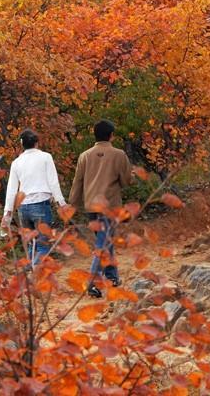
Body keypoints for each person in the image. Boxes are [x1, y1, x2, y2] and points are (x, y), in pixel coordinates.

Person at [69, 120, 132, 298]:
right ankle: (91, 283)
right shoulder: (118, 155)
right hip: (109, 206)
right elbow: (127, 181)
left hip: (91, 207)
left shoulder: (85, 156)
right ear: (111, 135)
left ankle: (111, 277)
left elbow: (77, 182)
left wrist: (71, 205)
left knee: (106, 241)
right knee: (102, 245)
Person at [1, 129, 67, 266]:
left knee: (32, 245)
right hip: (41, 205)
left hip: (23, 208)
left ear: (21, 144)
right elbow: (53, 182)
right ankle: (32, 273)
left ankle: (29, 279)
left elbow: (12, 189)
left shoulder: (16, 162)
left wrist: (7, 213)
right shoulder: (46, 157)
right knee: (43, 245)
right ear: (37, 143)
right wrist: (62, 203)